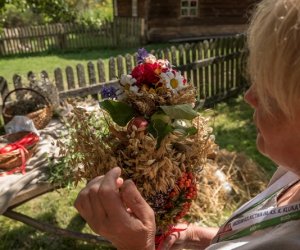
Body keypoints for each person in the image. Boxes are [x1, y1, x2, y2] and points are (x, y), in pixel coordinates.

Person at [74, 0, 300, 249]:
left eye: (271, 93)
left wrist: (138, 247)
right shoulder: (292, 173)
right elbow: (257, 235)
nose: (249, 96)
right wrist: (197, 236)